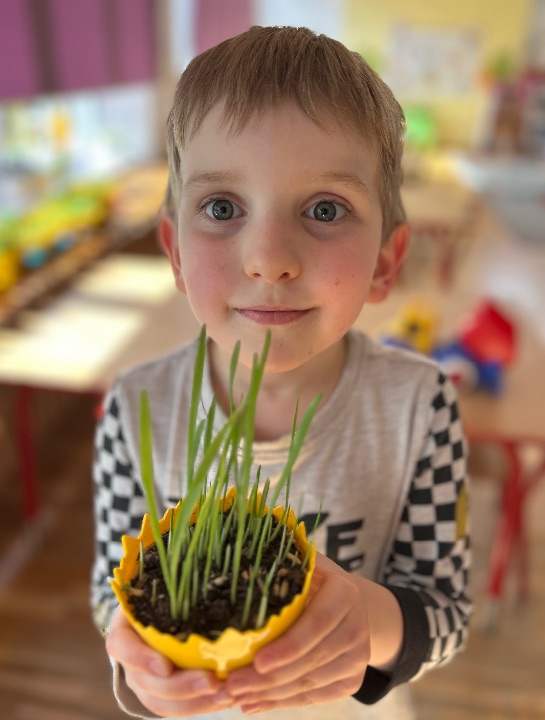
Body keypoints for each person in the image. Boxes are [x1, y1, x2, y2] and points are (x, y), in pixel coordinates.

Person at [91, 25, 472, 720]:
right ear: (175, 255)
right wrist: (138, 667)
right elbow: (110, 592)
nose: (268, 259)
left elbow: (446, 613)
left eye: (325, 209)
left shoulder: (420, 406)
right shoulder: (135, 405)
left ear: (385, 262)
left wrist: (369, 618)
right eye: (221, 208)